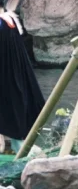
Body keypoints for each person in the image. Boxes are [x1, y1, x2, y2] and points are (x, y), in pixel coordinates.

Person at [0, 9, 45, 151]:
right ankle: (16, 141)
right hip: (13, 74)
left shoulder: (4, 23)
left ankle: (14, 142)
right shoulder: (9, 21)